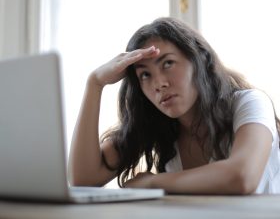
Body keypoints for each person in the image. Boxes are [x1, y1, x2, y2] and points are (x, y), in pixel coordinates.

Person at [68, 17, 280, 194]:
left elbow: (242, 177)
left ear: (199, 60)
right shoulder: (157, 125)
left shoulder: (249, 103)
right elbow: (83, 180)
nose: (159, 83)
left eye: (168, 63)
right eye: (145, 75)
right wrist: (94, 83)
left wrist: (153, 182)